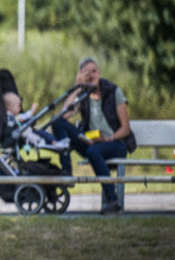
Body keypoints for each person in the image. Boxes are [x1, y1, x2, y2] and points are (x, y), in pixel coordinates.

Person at [52, 56, 136, 214]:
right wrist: (77, 87)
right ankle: (67, 171)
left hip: (115, 144)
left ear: (99, 72)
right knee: (56, 122)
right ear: (81, 75)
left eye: (94, 71)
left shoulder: (113, 91)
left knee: (93, 151)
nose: (91, 75)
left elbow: (125, 129)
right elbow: (64, 115)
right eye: (86, 73)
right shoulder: (83, 94)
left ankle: (113, 201)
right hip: (92, 142)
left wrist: (107, 139)